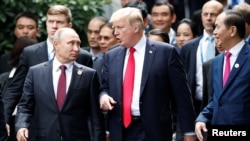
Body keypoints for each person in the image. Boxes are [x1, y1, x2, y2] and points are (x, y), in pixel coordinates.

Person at [99, 7, 196, 141]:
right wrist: (103, 97)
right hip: (120, 130)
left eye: (120, 27)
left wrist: (189, 131)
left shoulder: (166, 52)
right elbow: (105, 87)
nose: (115, 33)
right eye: (114, 28)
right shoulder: (111, 55)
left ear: (136, 28)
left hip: (154, 129)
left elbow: (182, 96)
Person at [4, 5, 93, 138]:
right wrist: (4, 119)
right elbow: (15, 90)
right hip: (39, 130)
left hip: (73, 132)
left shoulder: (82, 56)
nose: (54, 26)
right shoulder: (30, 53)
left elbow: (90, 99)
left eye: (60, 22)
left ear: (69, 25)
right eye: (51, 21)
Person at [15, 27, 105, 141]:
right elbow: (25, 106)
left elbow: (95, 116)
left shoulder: (89, 75)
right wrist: (22, 125)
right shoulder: (36, 72)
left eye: (78, 44)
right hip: (44, 137)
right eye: (71, 43)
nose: (76, 48)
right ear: (56, 44)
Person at [195, 10, 250, 141]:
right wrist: (202, 118)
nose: (214, 32)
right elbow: (216, 100)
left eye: (218, 26)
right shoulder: (216, 62)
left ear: (232, 31)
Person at [180, 0, 223, 115]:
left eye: (213, 14)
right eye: (205, 14)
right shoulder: (188, 47)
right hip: (194, 106)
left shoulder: (228, 45)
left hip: (221, 106)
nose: (208, 18)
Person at [0, 37, 37, 141]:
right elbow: (11, 95)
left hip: (31, 122)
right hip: (9, 120)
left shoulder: (38, 74)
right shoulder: (4, 78)